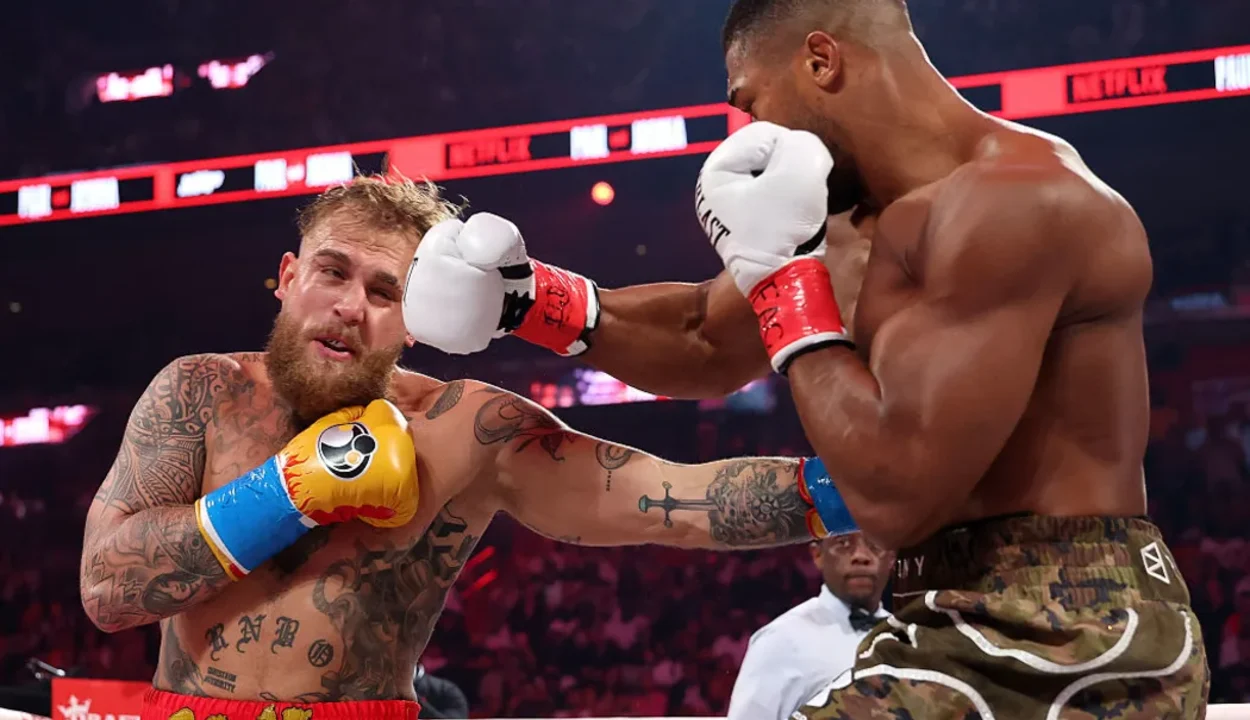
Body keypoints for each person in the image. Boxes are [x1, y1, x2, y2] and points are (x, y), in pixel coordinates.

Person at [400, 0, 1210, 716]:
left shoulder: (1018, 204)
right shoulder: (851, 224)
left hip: (1071, 626)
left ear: (820, 61)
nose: (748, 133)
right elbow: (701, 336)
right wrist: (526, 300)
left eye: (750, 103)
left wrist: (787, 282)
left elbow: (896, 494)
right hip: (940, 606)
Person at [77, 175, 850, 720]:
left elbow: (679, 504)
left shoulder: (467, 429)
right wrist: (285, 492)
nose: (351, 307)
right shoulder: (199, 392)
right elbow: (108, 590)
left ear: (417, 319)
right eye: (331, 272)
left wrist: (881, 487)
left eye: (386, 292)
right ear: (286, 278)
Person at [727, 532, 892, 720]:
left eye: (875, 545)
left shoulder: (908, 636)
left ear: (892, 557)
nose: (861, 556)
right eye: (843, 543)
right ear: (818, 554)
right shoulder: (780, 639)